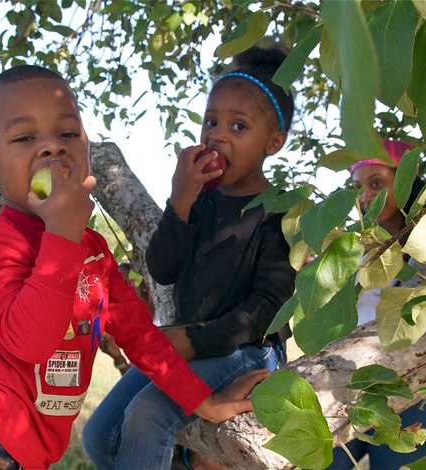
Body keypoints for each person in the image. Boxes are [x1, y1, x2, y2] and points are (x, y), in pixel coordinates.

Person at [0, 65, 271, 470]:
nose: (52, 148)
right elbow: (30, 340)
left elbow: (141, 338)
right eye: (25, 137)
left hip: (1, 448)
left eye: (68, 133)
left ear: (87, 149)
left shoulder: (92, 252)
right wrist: (62, 235)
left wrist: (204, 402)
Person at [82, 46, 297, 470]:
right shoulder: (199, 199)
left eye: (238, 125)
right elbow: (163, 269)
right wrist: (180, 198)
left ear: (274, 142)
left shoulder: (281, 212)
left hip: (249, 351)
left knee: (148, 414)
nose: (217, 135)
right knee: (97, 435)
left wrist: (187, 340)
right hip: (188, 346)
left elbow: (265, 310)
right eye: (211, 121)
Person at [328, 139, 426, 469]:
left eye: (376, 183)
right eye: (359, 187)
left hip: (415, 399)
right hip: (348, 394)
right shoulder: (352, 252)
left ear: (405, 182)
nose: (366, 196)